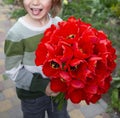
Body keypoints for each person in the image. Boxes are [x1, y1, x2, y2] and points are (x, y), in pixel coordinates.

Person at [4, 0, 70, 118]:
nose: (35, 2)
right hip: (32, 97)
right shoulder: (16, 33)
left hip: (59, 92)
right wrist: (43, 85)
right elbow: (12, 70)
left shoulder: (59, 24)